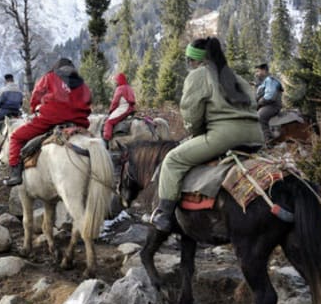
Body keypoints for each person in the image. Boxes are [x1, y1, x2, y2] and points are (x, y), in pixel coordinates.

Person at [150, 37, 264, 233]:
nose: (189, 64)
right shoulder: (237, 77)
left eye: (189, 60)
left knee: (173, 160)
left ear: (195, 60)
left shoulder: (198, 76)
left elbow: (191, 113)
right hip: (255, 136)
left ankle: (164, 214)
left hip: (224, 137)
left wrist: (196, 133)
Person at [6, 58, 92, 187]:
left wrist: (35, 108)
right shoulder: (81, 83)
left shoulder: (49, 77)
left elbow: (36, 96)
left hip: (50, 118)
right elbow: (88, 100)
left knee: (16, 137)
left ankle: (15, 172)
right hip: (78, 122)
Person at [254, 63, 284, 145]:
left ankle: (268, 142)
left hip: (272, 105)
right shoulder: (263, 82)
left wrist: (260, 102)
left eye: (258, 71)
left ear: (264, 71)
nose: (256, 74)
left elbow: (270, 96)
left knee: (260, 117)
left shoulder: (270, 80)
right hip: (266, 105)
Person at [102, 72, 136, 144]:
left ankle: (106, 140)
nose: (116, 82)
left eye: (116, 80)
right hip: (131, 108)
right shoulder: (129, 87)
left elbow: (115, 102)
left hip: (123, 108)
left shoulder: (120, 88)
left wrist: (111, 110)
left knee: (109, 122)